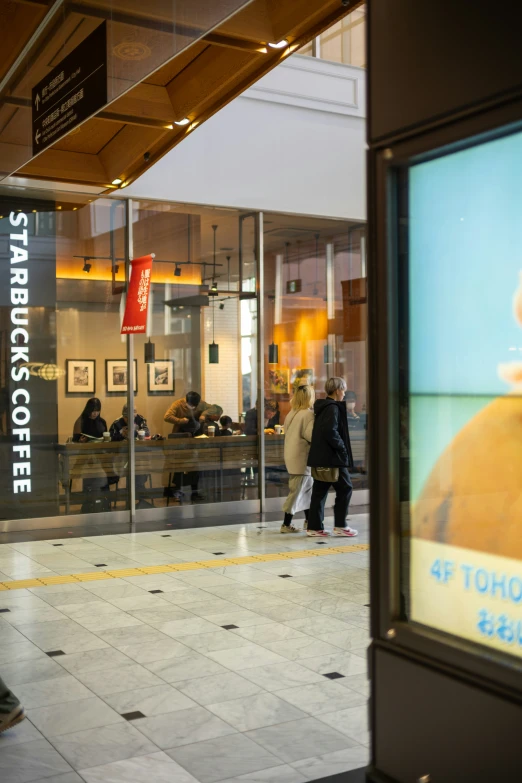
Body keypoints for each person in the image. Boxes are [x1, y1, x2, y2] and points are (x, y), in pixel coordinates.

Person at [307, 377, 358, 538]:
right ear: (337, 390)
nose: (344, 394)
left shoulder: (324, 407)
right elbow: (331, 431)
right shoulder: (332, 408)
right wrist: (342, 449)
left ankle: (314, 527)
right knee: (345, 488)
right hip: (332, 457)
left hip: (323, 456)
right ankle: (340, 525)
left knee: (320, 491)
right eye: (343, 390)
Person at [280, 384, 315, 534]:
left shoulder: (291, 413)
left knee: (306, 490)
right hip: (302, 458)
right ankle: (286, 524)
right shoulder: (307, 414)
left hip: (292, 456)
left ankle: (309, 521)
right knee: (298, 491)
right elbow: (311, 436)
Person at [110, 405, 150, 503]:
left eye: (132, 417)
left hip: (139, 455)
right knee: (132, 469)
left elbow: (147, 433)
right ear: (123, 416)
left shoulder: (141, 419)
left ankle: (139, 499)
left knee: (139, 469)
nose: (129, 420)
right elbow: (110, 438)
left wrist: (134, 433)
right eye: (127, 418)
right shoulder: (117, 423)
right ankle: (134, 498)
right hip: (122, 457)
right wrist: (121, 435)